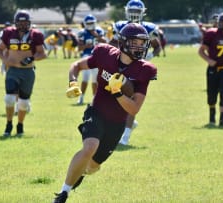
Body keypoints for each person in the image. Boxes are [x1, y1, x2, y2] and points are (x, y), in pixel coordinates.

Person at [53, 22, 157, 203]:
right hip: (97, 112)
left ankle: (82, 171)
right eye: (135, 42)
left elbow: (134, 109)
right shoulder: (105, 54)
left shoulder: (145, 70)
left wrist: (117, 92)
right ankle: (63, 193)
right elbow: (76, 65)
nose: (140, 47)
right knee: (89, 147)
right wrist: (73, 82)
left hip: (117, 123)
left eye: (142, 43)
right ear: (123, 42)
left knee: (93, 167)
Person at [110, 0, 161, 145]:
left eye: (137, 12)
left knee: (132, 100)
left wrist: (150, 56)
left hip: (139, 68)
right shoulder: (120, 26)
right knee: (116, 99)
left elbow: (157, 47)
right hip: (122, 65)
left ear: (142, 12)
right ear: (126, 11)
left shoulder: (149, 28)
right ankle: (127, 125)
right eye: (131, 11)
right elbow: (111, 45)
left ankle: (125, 136)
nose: (134, 14)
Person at [0, 10, 46, 137]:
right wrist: (5, 60)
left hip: (28, 71)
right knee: (9, 99)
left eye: (25, 22)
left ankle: (20, 125)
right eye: (20, 22)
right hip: (13, 70)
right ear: (16, 23)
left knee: (23, 102)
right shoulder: (8, 33)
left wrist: (32, 58)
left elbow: (42, 53)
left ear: (29, 23)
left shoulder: (35, 35)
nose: (23, 25)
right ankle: (8, 124)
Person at [76, 14, 107, 105]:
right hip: (86, 57)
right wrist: (86, 46)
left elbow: (105, 42)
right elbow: (79, 48)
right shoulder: (82, 32)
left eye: (91, 23)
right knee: (85, 78)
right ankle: (81, 97)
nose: (90, 25)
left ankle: (94, 98)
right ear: (85, 24)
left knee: (95, 79)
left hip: (97, 57)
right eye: (88, 23)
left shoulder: (99, 30)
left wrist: (96, 36)